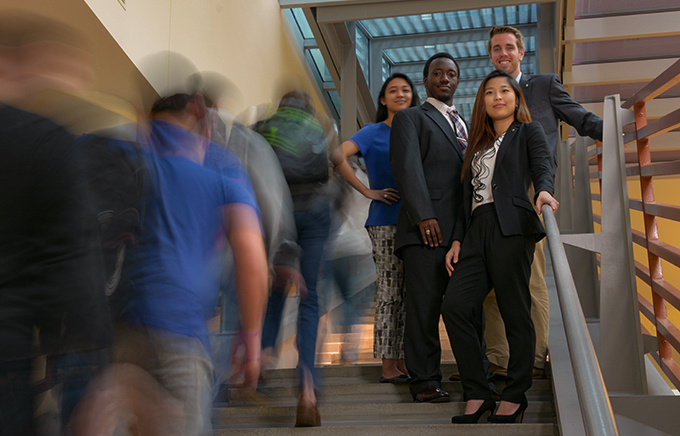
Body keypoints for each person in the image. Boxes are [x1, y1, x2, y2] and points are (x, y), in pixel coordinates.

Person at [85, 93, 269, 436]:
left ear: (147, 128)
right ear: (206, 129)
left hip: (118, 334)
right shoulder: (224, 182)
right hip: (182, 334)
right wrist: (252, 344)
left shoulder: (120, 162)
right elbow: (253, 264)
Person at [479, 24, 603, 379]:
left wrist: (612, 130)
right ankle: (500, 361)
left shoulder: (544, 85)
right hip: (490, 196)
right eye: (496, 49)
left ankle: (534, 358)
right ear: (490, 55)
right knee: (491, 280)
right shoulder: (489, 94)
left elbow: (579, 118)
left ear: (521, 52)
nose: (502, 54)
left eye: (508, 47)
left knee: (529, 275)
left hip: (532, 193)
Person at [442, 69, 558, 424]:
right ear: (483, 102)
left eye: (504, 90)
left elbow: (543, 164)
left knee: (514, 310)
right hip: (477, 230)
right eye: (489, 92)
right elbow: (466, 199)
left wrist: (543, 190)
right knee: (456, 305)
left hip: (511, 226)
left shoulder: (528, 131)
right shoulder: (475, 145)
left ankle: (515, 394)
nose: (497, 97)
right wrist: (458, 238)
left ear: (515, 98)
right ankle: (478, 390)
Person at [389, 53, 467, 403]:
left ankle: (473, 375)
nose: (444, 78)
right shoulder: (410, 118)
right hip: (425, 230)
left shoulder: (465, 123)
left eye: (451, 74)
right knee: (423, 307)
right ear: (426, 81)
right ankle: (424, 381)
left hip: (461, 232)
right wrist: (423, 215)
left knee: (465, 306)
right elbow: (407, 168)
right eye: (437, 73)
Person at [332, 73, 419, 383]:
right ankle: (388, 364)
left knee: (412, 294)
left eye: (405, 90)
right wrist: (367, 191)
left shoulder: (419, 129)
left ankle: (406, 360)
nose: (399, 94)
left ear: (412, 96)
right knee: (390, 292)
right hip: (385, 220)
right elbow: (338, 155)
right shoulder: (372, 132)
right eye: (392, 90)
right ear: (383, 99)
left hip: (418, 221)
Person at [254, 91, 332, 427]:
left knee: (273, 290)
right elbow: (326, 176)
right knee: (309, 297)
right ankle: (307, 388)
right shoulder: (315, 126)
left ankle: (262, 360)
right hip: (315, 211)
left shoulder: (264, 126)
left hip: (274, 213)